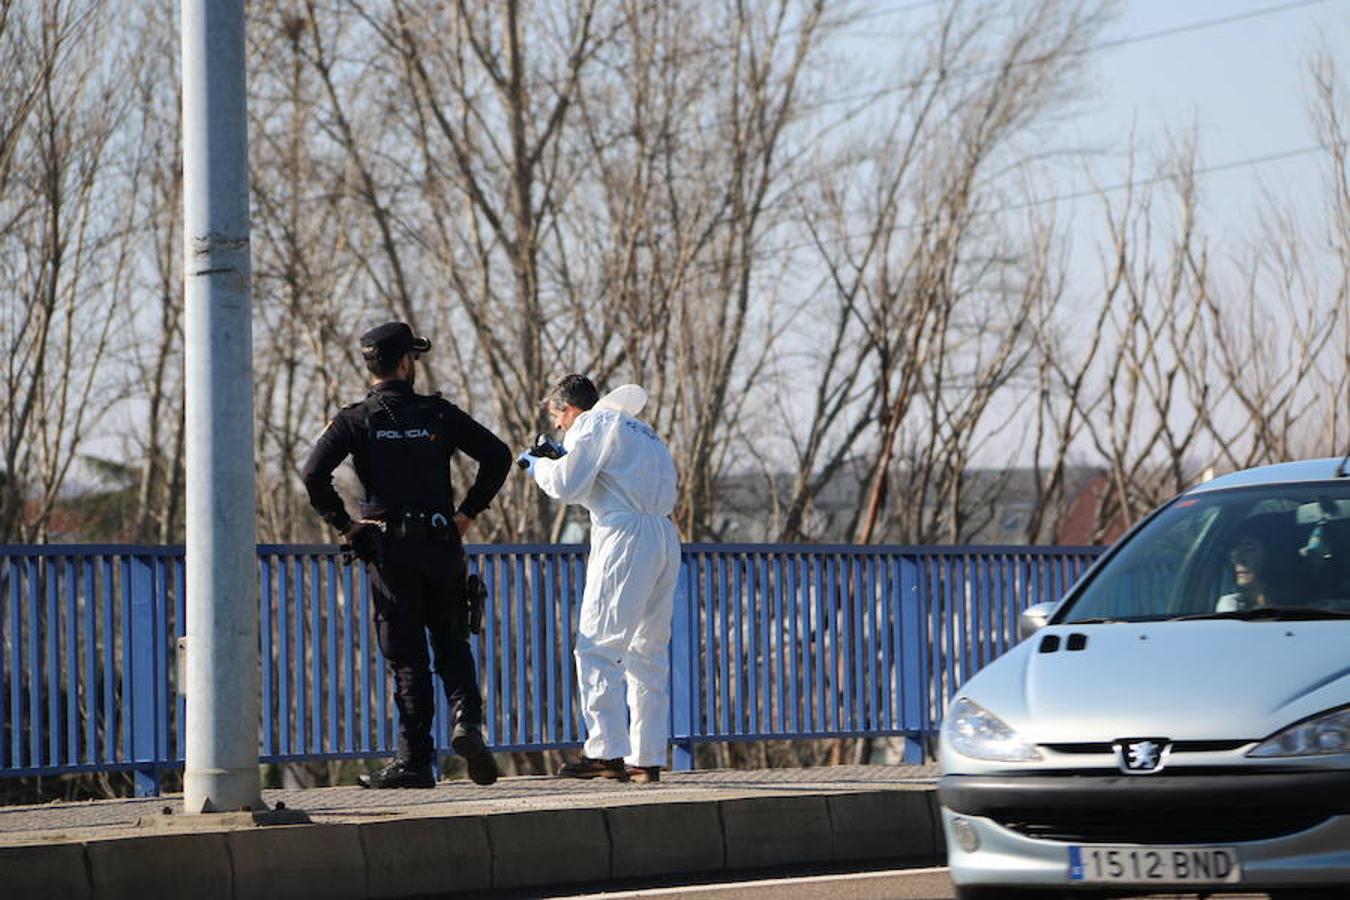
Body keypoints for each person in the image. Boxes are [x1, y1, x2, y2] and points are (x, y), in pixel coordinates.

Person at [301, 322, 511, 788]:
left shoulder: (355, 420)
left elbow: (313, 474)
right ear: (404, 363)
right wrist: (468, 513)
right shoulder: (438, 414)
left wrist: (348, 526)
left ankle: (415, 761)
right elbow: (497, 455)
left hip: (388, 550)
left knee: (407, 658)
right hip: (441, 543)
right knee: (453, 641)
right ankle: (466, 721)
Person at [519, 375, 680, 784]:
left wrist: (538, 465)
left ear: (570, 409)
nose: (558, 427)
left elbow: (567, 484)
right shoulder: (642, 430)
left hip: (624, 536)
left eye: (558, 417)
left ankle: (605, 752)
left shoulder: (593, 423)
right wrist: (562, 456)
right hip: (663, 534)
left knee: (597, 646)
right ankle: (646, 757)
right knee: (648, 651)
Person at [1215, 537, 1272, 612]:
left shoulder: (1290, 603)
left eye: (1249, 549)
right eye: (1234, 550)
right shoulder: (1229, 607)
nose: (1238, 558)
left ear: (1269, 555)